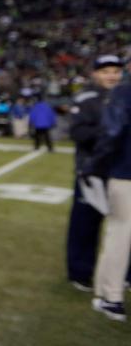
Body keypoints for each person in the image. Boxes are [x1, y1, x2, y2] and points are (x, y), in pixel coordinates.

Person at [66, 55, 123, 291]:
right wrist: (112, 129)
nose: (111, 76)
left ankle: (121, 274)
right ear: (95, 74)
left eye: (115, 71)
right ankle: (80, 272)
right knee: (85, 225)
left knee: (122, 227)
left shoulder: (124, 97)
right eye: (106, 71)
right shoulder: (85, 98)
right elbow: (79, 133)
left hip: (121, 172)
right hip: (92, 171)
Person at [85, 60, 131, 322]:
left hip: (126, 172)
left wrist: (94, 166)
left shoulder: (123, 92)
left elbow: (113, 131)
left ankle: (111, 298)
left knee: (119, 234)